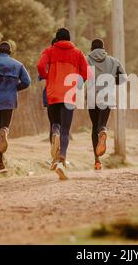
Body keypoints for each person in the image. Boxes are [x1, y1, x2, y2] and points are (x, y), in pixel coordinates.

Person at [37, 28, 89, 180]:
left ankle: (55, 132)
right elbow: (86, 73)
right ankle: (61, 161)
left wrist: (47, 76)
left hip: (52, 93)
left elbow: (40, 66)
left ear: (57, 39)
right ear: (69, 38)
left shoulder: (49, 51)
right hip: (69, 95)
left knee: (55, 123)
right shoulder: (78, 53)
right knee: (66, 130)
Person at [0, 41, 31, 173]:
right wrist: (14, 88)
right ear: (10, 52)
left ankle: (0, 164)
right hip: (9, 99)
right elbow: (27, 82)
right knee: (4, 127)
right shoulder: (18, 64)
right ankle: (5, 131)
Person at [86, 38, 126, 170]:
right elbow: (124, 77)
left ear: (92, 49)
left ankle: (97, 161)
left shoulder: (87, 59)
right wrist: (113, 80)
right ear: (103, 48)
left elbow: (80, 74)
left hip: (92, 97)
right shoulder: (113, 61)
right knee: (101, 125)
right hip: (107, 97)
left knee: (94, 127)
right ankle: (102, 130)